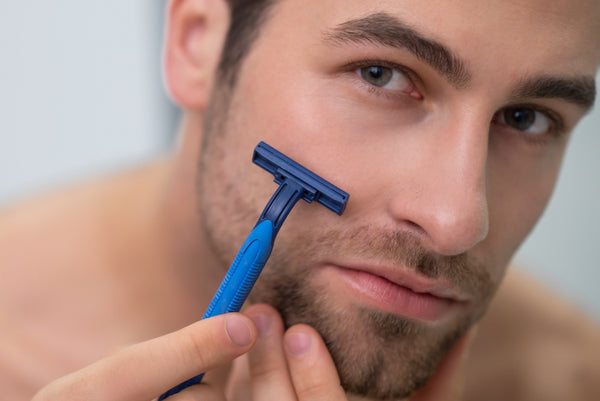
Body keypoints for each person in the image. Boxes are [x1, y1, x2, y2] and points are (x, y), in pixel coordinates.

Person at [1, 0, 599, 400]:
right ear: (197, 43)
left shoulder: (572, 377)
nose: (456, 221)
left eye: (527, 118)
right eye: (380, 74)